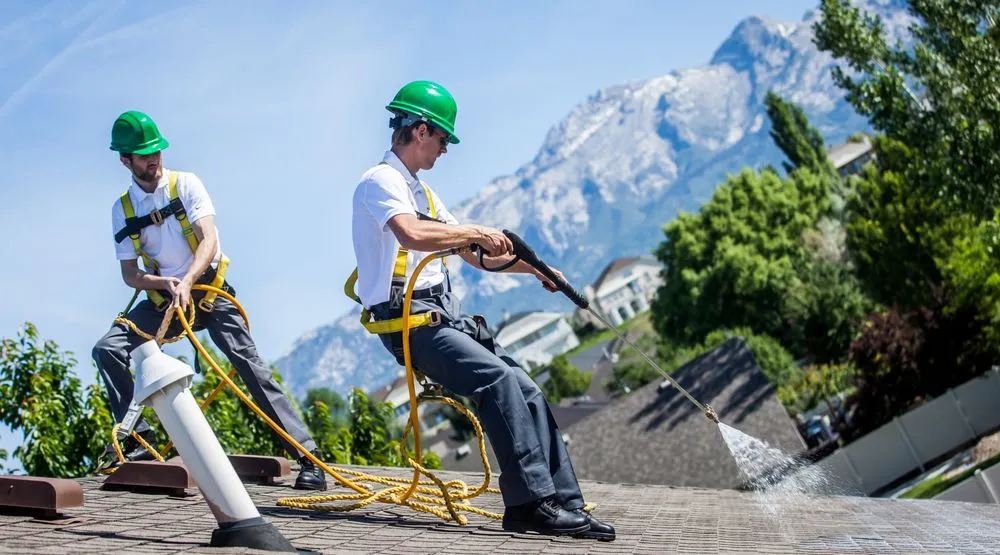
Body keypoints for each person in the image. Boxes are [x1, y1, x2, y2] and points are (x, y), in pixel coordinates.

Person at [348, 81, 615, 540]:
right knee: (499, 380)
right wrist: (473, 229)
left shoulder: (424, 193)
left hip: (443, 319)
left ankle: (565, 503)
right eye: (444, 139)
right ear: (420, 131)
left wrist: (537, 269)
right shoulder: (381, 182)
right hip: (414, 324)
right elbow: (412, 235)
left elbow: (476, 255)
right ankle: (531, 505)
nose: (446, 149)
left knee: (526, 388)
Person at [91, 110, 326, 491]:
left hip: (208, 294)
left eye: (157, 151)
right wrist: (165, 284)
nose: (154, 159)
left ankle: (308, 457)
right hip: (162, 300)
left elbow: (209, 240)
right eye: (144, 154)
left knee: (249, 365)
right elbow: (130, 275)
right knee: (108, 349)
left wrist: (186, 281)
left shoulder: (185, 185)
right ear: (125, 160)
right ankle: (139, 443)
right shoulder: (123, 210)